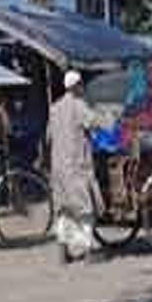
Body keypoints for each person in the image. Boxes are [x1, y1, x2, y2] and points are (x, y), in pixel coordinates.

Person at [49, 70, 109, 264]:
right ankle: (88, 251)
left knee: (63, 210)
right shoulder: (78, 105)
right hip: (76, 166)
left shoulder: (54, 108)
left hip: (58, 168)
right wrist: (111, 119)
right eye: (82, 85)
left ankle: (63, 252)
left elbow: (49, 136)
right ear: (77, 87)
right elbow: (95, 122)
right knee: (84, 209)